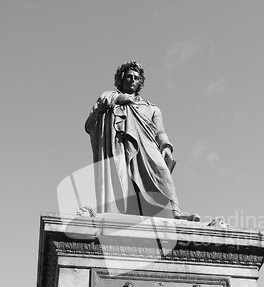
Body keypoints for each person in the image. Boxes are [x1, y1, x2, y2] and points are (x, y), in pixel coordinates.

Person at [85, 60, 198, 220]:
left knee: (162, 172)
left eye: (136, 78)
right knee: (121, 178)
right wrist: (115, 101)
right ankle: (121, 213)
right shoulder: (110, 100)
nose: (132, 80)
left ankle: (173, 213)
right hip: (119, 146)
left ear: (140, 83)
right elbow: (91, 123)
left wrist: (166, 147)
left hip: (146, 147)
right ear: (122, 79)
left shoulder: (152, 108)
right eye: (129, 76)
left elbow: (160, 132)